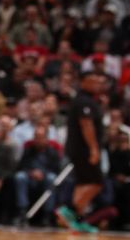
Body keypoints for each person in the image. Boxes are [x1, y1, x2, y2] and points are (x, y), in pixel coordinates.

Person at [55, 69, 107, 233]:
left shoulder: (86, 100)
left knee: (83, 183)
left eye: (99, 81)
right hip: (84, 150)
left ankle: (77, 221)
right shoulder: (84, 101)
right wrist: (94, 149)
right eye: (93, 81)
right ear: (83, 82)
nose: (97, 84)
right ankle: (68, 210)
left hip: (78, 150)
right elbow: (86, 125)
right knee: (96, 183)